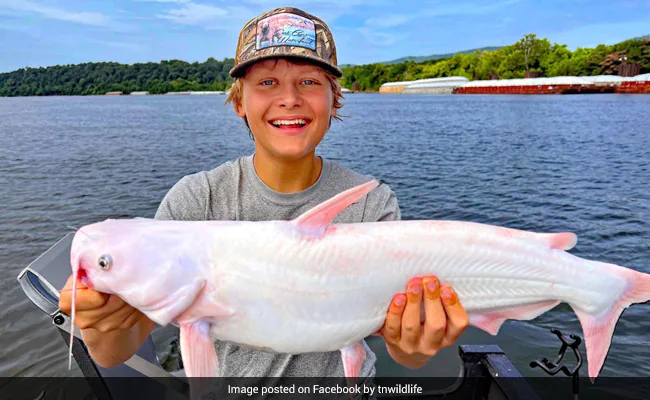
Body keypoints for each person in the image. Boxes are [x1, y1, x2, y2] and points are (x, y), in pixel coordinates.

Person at [59, 6, 468, 380]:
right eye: (267, 82)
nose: (289, 99)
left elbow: (407, 352)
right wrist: (98, 324)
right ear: (240, 101)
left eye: (309, 82)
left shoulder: (370, 202)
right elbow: (115, 353)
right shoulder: (197, 201)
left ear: (334, 98)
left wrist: (418, 339)